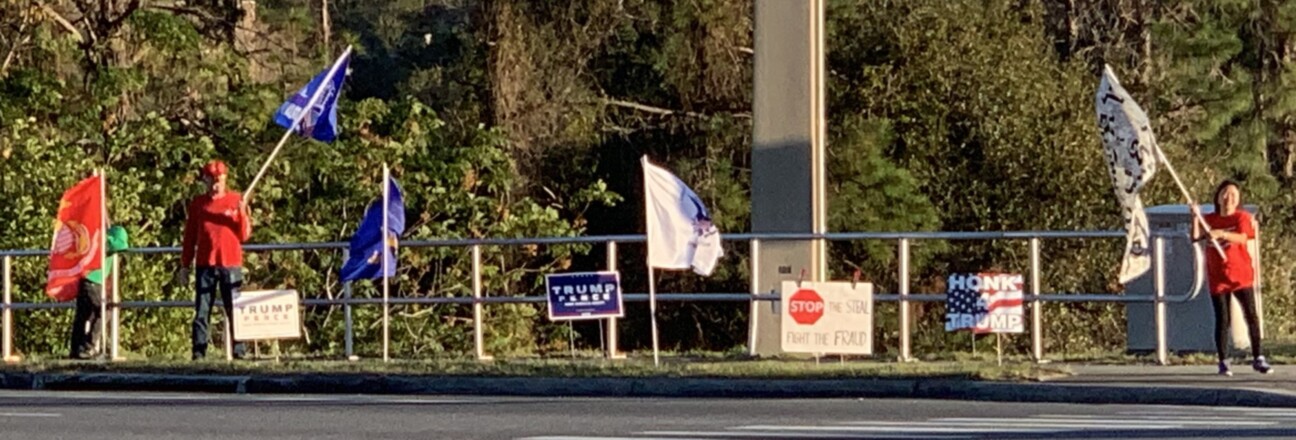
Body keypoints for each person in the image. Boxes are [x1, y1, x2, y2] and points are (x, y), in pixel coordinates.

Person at [1190, 180, 1270, 376]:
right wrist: (1194, 217)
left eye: (1233, 194)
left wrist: (1223, 234)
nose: (1229, 198)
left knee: (1251, 315)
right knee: (1222, 318)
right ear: (1218, 197)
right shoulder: (1208, 219)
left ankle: (1258, 357)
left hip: (1240, 275)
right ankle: (1223, 360)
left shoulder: (1241, 217)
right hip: (1218, 276)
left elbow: (1243, 237)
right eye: (1225, 193)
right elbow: (1195, 237)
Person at [177, 160, 252, 360]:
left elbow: (244, 235)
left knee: (234, 309)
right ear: (205, 180)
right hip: (205, 264)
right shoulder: (198, 204)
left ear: (225, 178)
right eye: (211, 179)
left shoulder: (236, 200)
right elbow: (189, 237)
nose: (215, 184)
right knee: (202, 310)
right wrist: (185, 265)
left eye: (219, 179)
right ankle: (198, 352)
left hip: (231, 263)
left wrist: (242, 213)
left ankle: (239, 351)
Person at [69, 225, 129, 359]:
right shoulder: (106, 241)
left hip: (85, 280)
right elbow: (116, 244)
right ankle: (88, 346)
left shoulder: (95, 239)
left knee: (84, 315)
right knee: (105, 310)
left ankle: (76, 348)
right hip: (93, 282)